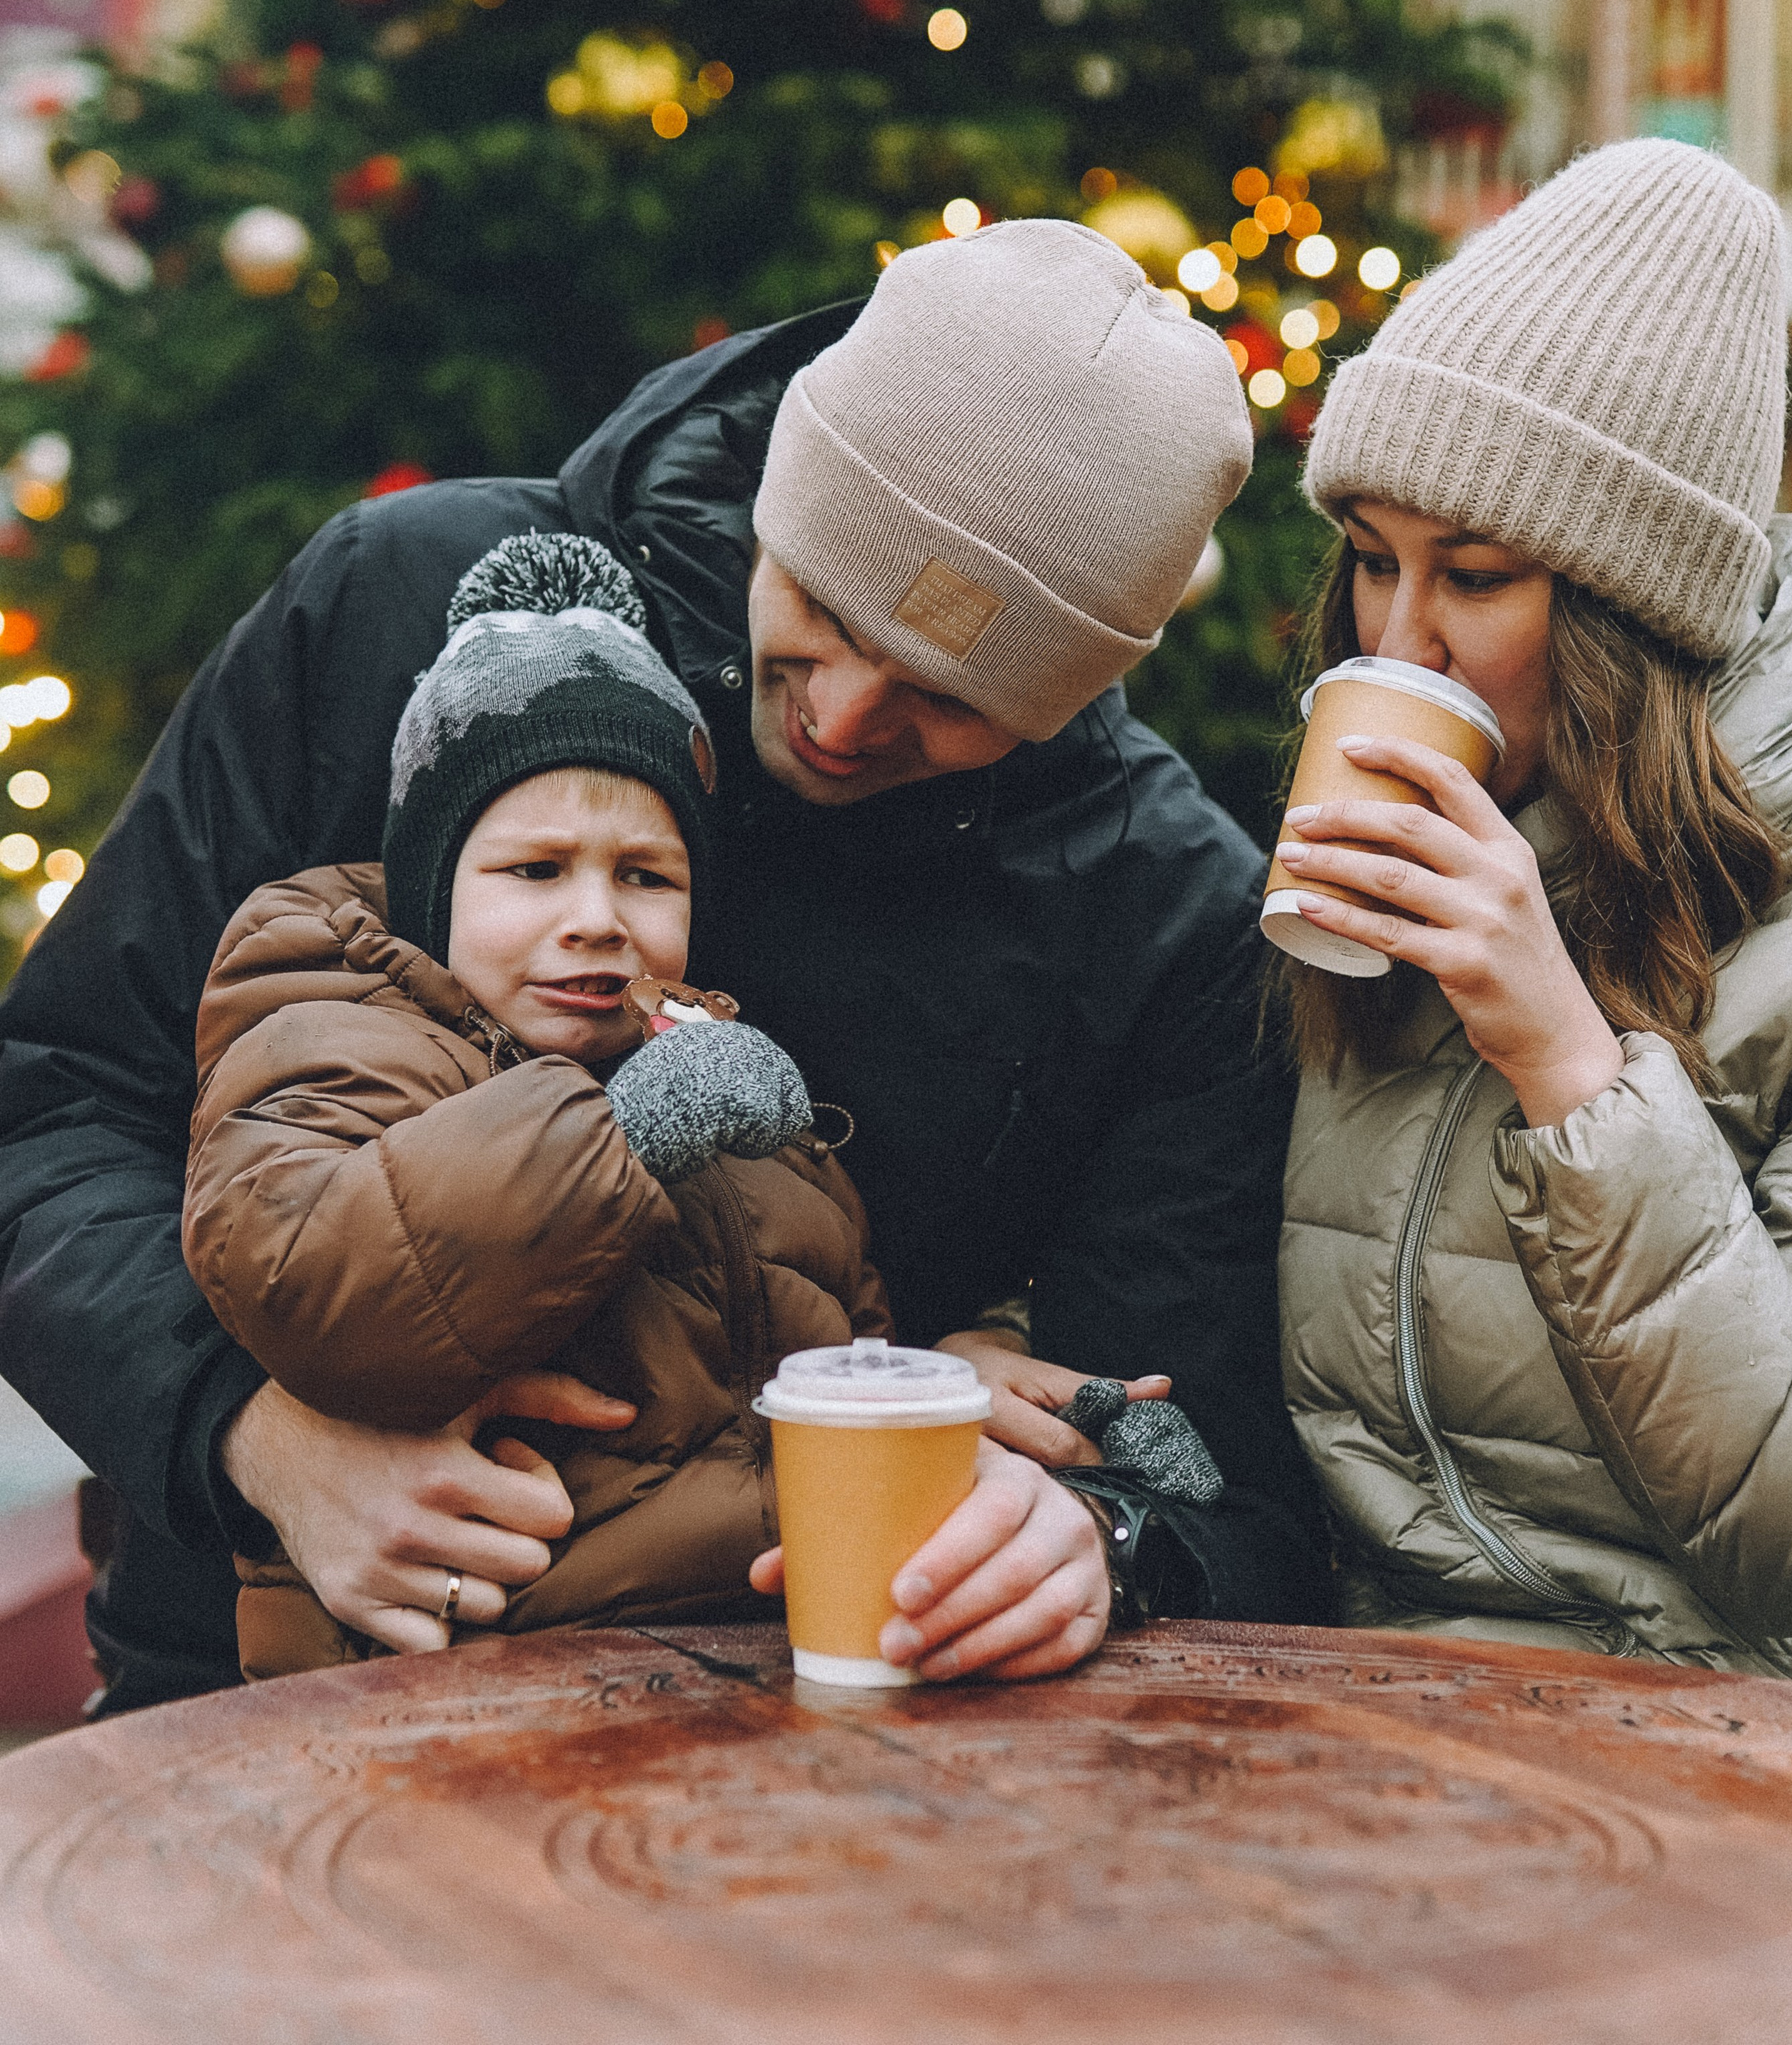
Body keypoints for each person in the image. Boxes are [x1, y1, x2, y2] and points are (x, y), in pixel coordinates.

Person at [0, 218, 1331, 1712]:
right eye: (821, 606)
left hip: (823, 1731)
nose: (840, 715)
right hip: (258, 1694)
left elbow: (1211, 1463)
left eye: (950, 700)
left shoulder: (1156, 910)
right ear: (783, 491)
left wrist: (1099, 1538)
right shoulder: (401, 615)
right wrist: (255, 1442)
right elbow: (51, 1109)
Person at [1275, 135, 1792, 1675]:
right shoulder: (1372, 845)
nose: (1399, 641)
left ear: (1625, 615)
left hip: (1701, 1720)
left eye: (1473, 575)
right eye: (1371, 563)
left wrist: (1568, 1069)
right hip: (1347, 1692)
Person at [188, 530, 906, 1676]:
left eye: (645, 875)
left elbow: (852, 1335)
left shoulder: (715, 1076)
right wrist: (625, 1140)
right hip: (449, 1688)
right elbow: (310, 1274)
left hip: (748, 1675)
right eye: (535, 870)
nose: (596, 918)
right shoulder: (342, 1025)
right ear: (437, 883)